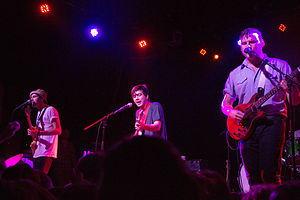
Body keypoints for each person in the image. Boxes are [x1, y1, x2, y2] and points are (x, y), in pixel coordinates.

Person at [221, 28, 300, 186]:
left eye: (252, 42)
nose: (248, 45)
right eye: (244, 43)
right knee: (253, 176)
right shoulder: (235, 73)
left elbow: (295, 101)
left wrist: (287, 89)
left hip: (272, 122)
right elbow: (225, 103)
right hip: (246, 127)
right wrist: (231, 112)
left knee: (270, 172)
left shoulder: (280, 65)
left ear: (262, 43)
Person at [26, 89, 61, 175]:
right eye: (30, 97)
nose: (31, 99)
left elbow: (58, 130)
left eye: (34, 96)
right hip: (38, 151)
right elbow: (38, 132)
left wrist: (38, 133)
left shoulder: (50, 109)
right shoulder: (39, 113)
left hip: (47, 151)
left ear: (42, 98)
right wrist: (28, 117)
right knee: (35, 178)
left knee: (41, 178)